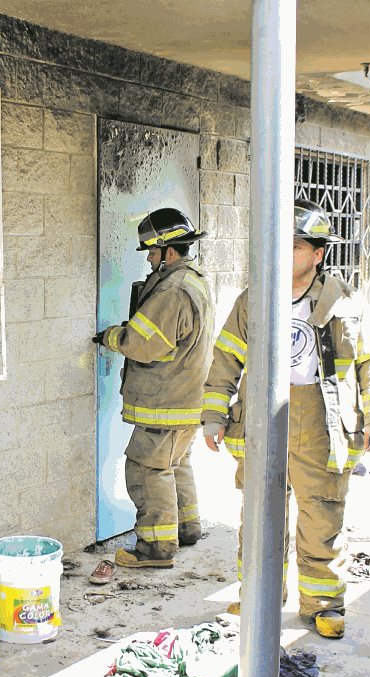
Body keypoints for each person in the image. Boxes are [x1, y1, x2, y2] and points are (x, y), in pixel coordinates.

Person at [202, 200, 370, 639]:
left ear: (318, 253)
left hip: (321, 421)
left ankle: (323, 603)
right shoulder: (254, 298)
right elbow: (226, 357)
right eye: (278, 244)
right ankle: (258, 595)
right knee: (258, 515)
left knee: (321, 515)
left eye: (294, 245)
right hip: (262, 418)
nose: (284, 253)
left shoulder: (343, 301)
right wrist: (214, 413)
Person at [90, 207, 213, 573]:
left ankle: (156, 548)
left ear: (168, 253)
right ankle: (185, 528)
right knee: (175, 465)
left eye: (151, 251)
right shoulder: (193, 281)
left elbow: (143, 343)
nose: (148, 257)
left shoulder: (172, 290)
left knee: (147, 468)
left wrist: (110, 336)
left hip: (165, 401)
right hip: (186, 399)